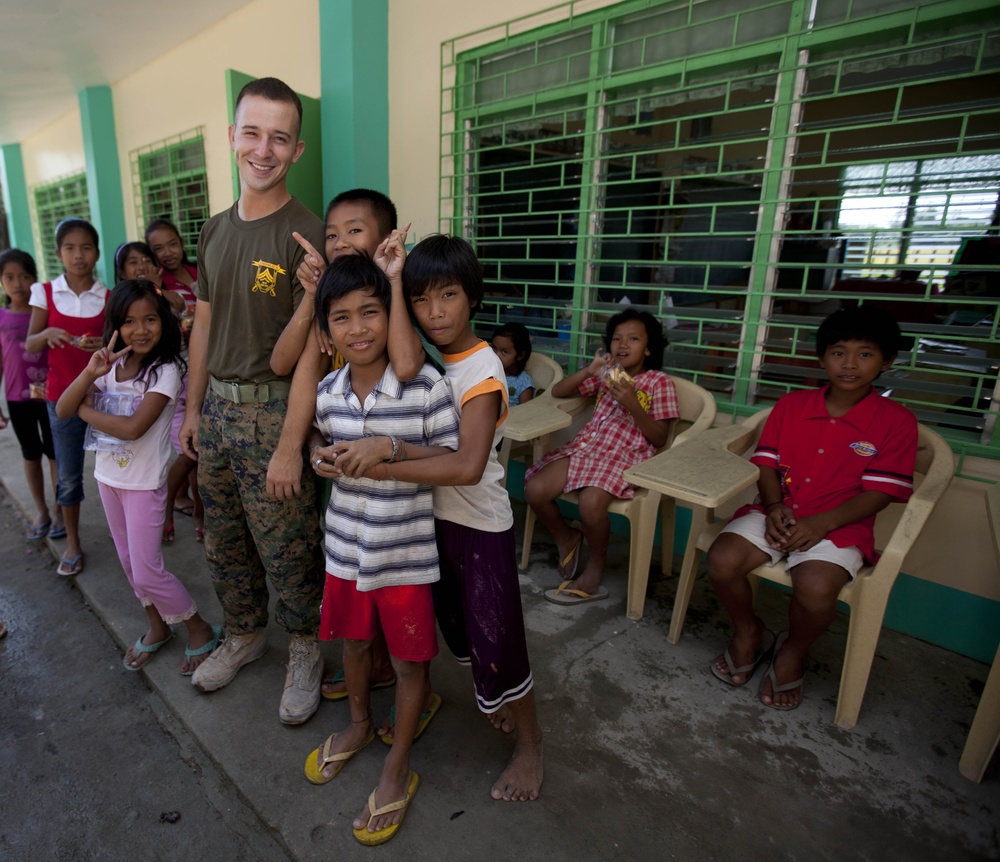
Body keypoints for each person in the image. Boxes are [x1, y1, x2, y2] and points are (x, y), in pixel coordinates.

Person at [330, 234, 544, 802]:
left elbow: (468, 465)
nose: (435, 311)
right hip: (427, 526)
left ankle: (529, 746)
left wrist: (386, 455)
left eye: (448, 295)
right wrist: (392, 280)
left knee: (499, 641)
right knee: (460, 634)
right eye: (422, 300)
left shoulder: (482, 367)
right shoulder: (421, 359)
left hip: (477, 526)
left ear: (472, 296)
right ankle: (492, 703)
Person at [178, 76, 326, 725]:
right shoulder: (212, 231)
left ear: (297, 149)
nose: (264, 149)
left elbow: (314, 353)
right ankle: (243, 633)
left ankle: (305, 646)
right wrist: (191, 410)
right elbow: (203, 324)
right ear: (231, 138)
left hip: (273, 413)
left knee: (288, 543)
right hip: (215, 411)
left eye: (280, 137)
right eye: (253, 133)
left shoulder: (308, 236)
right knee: (224, 540)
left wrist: (292, 444)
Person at [303, 256, 458, 845]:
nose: (358, 328)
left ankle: (400, 765)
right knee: (355, 645)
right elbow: (320, 436)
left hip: (404, 554)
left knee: (410, 659)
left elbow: (452, 458)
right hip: (345, 548)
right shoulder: (327, 390)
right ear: (326, 332)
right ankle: (362, 724)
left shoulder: (425, 386)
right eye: (341, 317)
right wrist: (320, 452)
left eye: (371, 311)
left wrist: (388, 449)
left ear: (392, 316)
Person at [706, 306, 917, 710]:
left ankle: (793, 649)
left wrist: (823, 523)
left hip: (840, 525)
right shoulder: (791, 406)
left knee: (817, 589)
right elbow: (766, 465)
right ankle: (749, 632)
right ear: (822, 358)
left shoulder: (897, 422)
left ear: (887, 361)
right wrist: (772, 505)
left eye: (865, 354)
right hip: (776, 511)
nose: (850, 364)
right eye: (838, 352)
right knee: (722, 560)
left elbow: (881, 493)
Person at [282, 188, 420, 702]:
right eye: (332, 234)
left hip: (407, 461)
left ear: (385, 237)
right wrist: (313, 302)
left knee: (397, 570)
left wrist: (393, 280)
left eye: (354, 231)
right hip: (350, 466)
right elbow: (289, 365)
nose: (340, 242)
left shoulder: (393, 292)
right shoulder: (331, 301)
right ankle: (373, 662)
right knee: (360, 565)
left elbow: (407, 368)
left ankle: (395, 667)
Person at [56, 279, 220, 673]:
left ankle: (199, 629)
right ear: (115, 325)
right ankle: (157, 626)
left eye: (150, 319)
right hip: (108, 480)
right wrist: (90, 373)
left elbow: (132, 428)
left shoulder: (164, 371)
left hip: (144, 486)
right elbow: (62, 407)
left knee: (149, 569)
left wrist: (86, 411)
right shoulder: (109, 366)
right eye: (129, 321)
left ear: (163, 321)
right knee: (130, 566)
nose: (140, 329)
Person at [524, 309, 678, 603]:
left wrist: (634, 404)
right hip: (586, 449)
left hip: (625, 457)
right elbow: (559, 391)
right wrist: (589, 370)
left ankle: (596, 566)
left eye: (633, 339)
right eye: (617, 339)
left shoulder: (659, 383)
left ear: (648, 348)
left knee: (591, 504)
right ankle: (566, 537)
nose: (623, 344)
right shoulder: (608, 376)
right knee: (535, 490)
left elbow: (659, 438)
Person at [25, 218, 108, 577]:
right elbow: (29, 345)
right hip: (62, 400)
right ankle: (73, 542)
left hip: (103, 399)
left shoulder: (107, 296)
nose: (79, 255)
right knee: (70, 476)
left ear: (96, 253)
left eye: (86, 247)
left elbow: (118, 345)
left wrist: (102, 344)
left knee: (116, 473)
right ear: (59, 254)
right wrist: (47, 333)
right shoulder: (45, 292)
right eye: (70, 248)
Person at [132, 227, 203, 544]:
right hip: (176, 373)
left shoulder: (195, 271)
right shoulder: (154, 286)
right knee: (190, 452)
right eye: (158, 248)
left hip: (205, 367)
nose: (168, 252)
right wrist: (158, 287)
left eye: (173, 243)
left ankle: (201, 514)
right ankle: (167, 506)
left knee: (201, 453)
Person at [0, 249, 63, 541]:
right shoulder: (1, 318)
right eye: (10, 277)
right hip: (17, 399)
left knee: (54, 454)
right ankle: (42, 510)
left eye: (25, 277)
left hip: (50, 397)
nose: (18, 284)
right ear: (1, 282)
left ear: (35, 280)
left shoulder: (45, 312)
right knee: (31, 454)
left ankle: (60, 509)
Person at [492, 322, 534, 405]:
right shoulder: (488, 373)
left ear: (520, 355)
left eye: (504, 352)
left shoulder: (523, 383)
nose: (496, 355)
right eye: (494, 349)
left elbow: (527, 413)